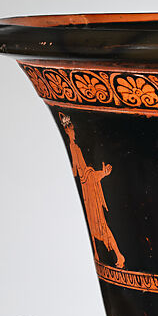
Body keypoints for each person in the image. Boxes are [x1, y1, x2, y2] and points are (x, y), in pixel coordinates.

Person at [60, 114, 125, 267]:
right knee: (97, 226)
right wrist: (102, 174)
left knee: (100, 225)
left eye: (72, 131)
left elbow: (80, 172)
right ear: (68, 132)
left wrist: (101, 174)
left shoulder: (75, 148)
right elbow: (80, 172)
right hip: (88, 189)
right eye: (71, 131)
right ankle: (111, 255)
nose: (73, 133)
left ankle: (118, 256)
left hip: (90, 189)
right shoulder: (74, 147)